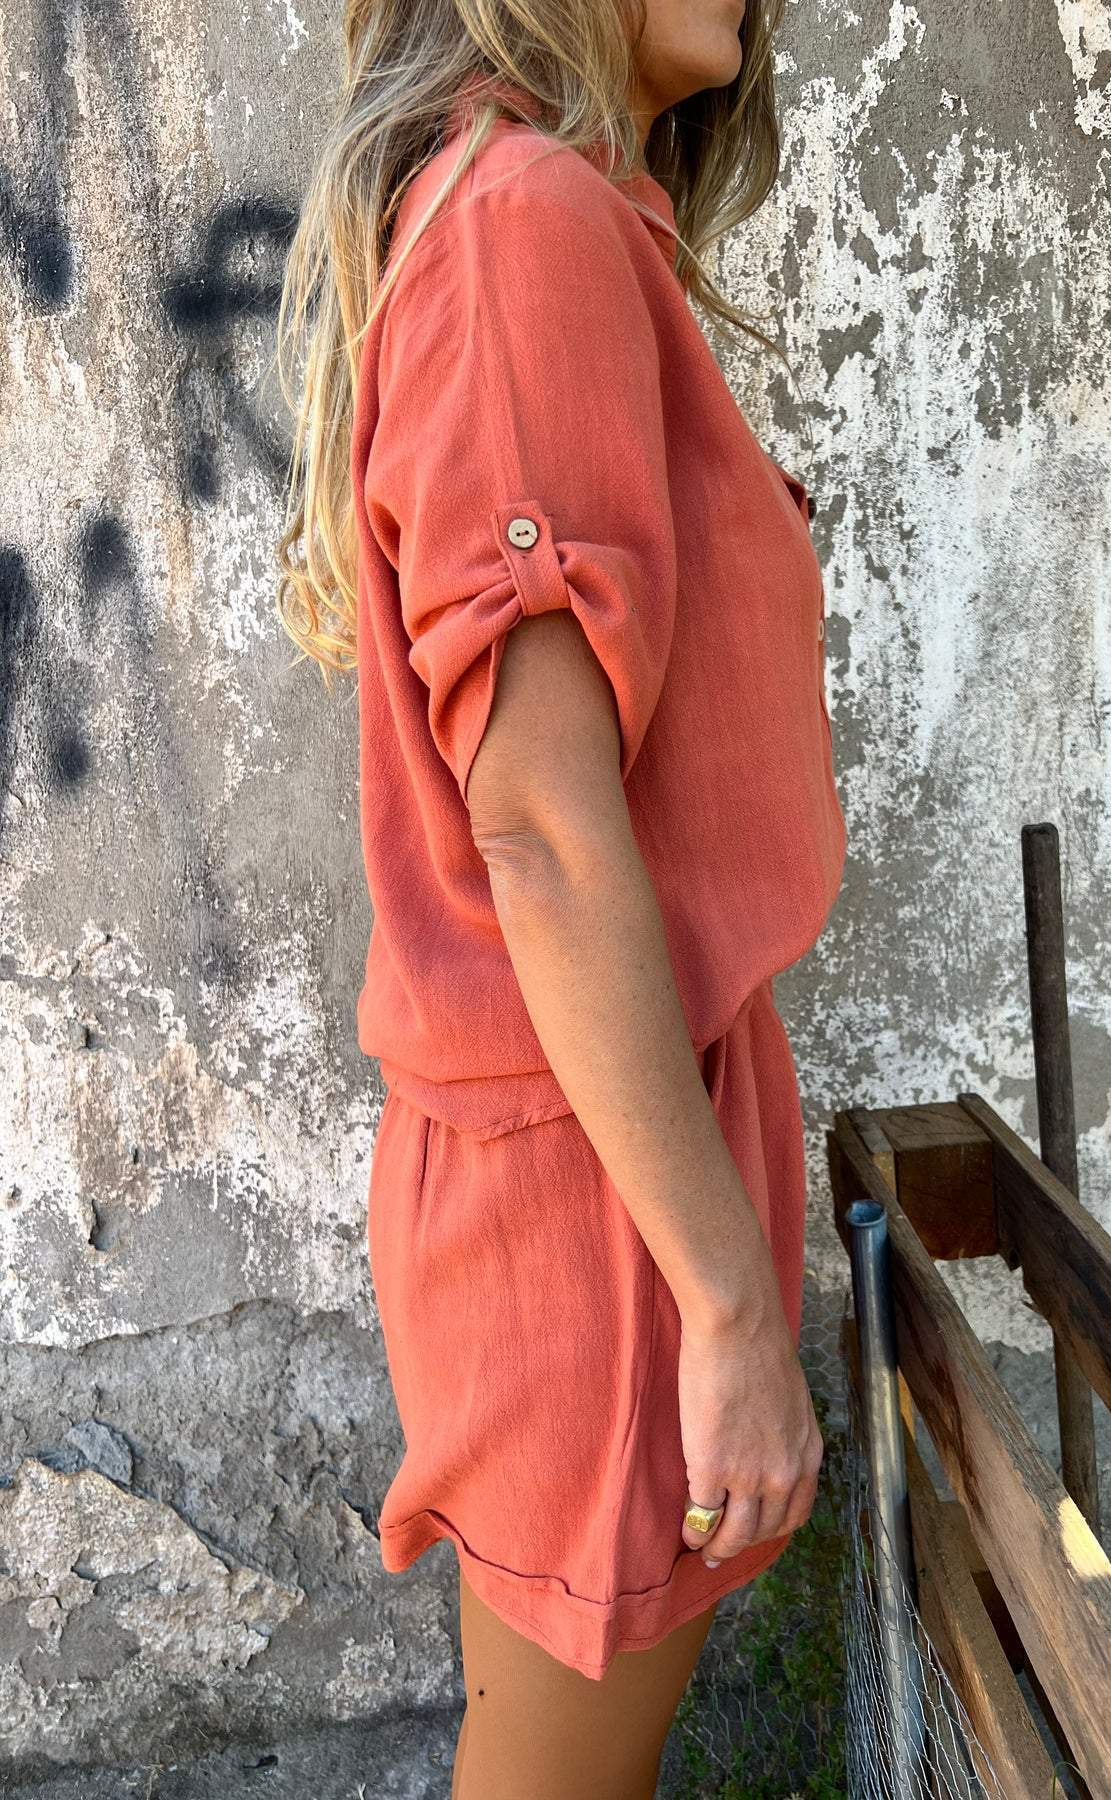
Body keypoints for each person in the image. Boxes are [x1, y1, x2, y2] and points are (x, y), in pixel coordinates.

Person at [275, 0, 847, 1791]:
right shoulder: (521, 221)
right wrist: (727, 1306)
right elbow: (533, 819)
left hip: (603, 1138)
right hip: (598, 1187)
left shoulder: (536, 215)